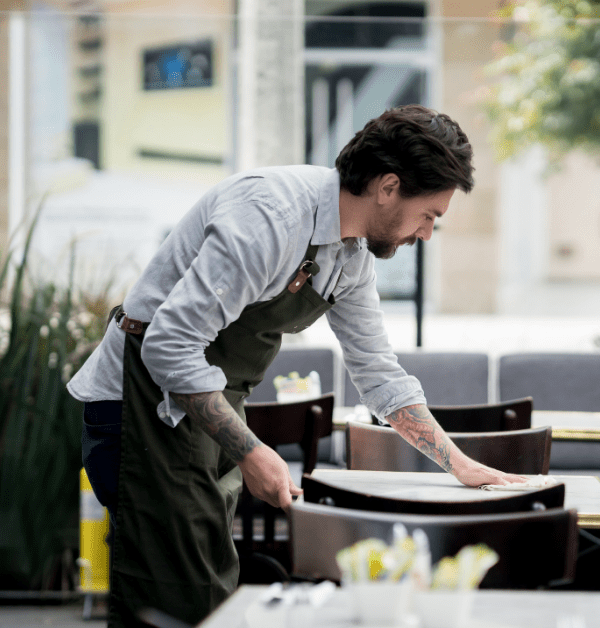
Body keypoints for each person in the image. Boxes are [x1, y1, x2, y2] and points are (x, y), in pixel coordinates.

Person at [67, 104, 526, 627]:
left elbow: (378, 373)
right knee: (178, 601)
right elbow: (169, 345)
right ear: (388, 186)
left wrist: (459, 464)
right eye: (429, 216)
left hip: (204, 418)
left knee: (210, 596)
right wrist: (251, 449)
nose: (425, 234)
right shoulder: (270, 216)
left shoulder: (350, 257)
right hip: (138, 413)